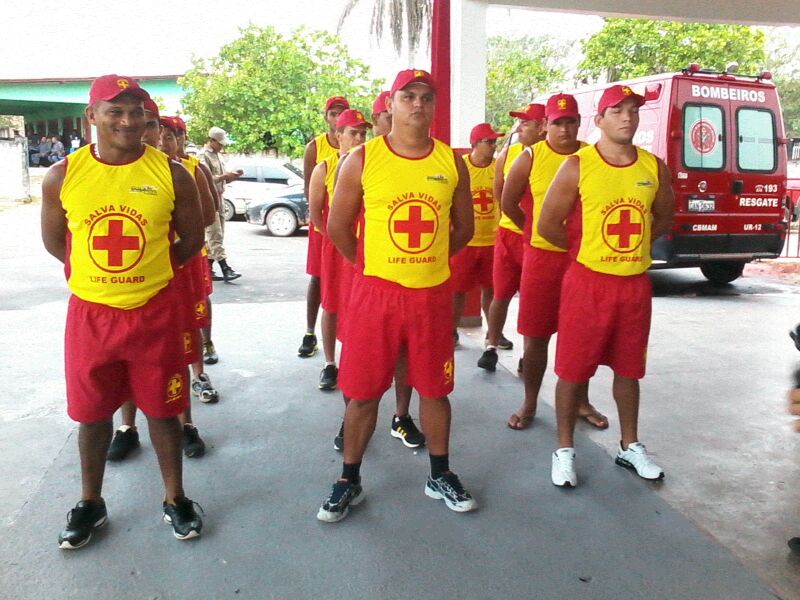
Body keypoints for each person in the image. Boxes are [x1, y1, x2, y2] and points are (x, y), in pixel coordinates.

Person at [41, 74, 205, 548]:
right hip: (92, 316)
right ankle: (90, 502)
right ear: (92, 115)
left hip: (154, 313)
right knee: (92, 415)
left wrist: (149, 273)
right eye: (115, 110)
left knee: (163, 411)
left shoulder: (172, 173)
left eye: (137, 112)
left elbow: (192, 239)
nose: (128, 121)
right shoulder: (62, 175)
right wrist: (103, 278)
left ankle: (175, 498)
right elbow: (56, 243)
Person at [318, 69, 477, 522]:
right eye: (408, 96)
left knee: (435, 389)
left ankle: (440, 473)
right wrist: (373, 267)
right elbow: (338, 226)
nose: (418, 104)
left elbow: (463, 228)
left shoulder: (451, 162)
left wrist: (428, 260)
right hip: (376, 295)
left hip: (431, 295)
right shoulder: (363, 159)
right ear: (390, 103)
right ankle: (348, 479)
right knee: (363, 393)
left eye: (427, 97)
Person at [538, 84, 675, 487]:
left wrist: (631, 249)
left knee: (629, 369)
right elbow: (548, 224)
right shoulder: (578, 165)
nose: (627, 117)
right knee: (572, 370)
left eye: (633, 109)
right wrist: (586, 251)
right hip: (587, 284)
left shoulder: (653, 167)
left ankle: (629, 445)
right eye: (617, 110)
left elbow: (664, 218)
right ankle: (564, 449)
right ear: (599, 120)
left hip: (633, 286)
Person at [107, 112, 218, 462]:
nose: (150, 133)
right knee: (125, 354)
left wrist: (163, 256)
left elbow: (204, 220)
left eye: (156, 127)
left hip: (174, 270)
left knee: (177, 349)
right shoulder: (112, 171)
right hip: (123, 281)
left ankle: (186, 424)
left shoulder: (181, 172)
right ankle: (127, 427)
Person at [499, 93, 608, 432]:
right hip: (541, 260)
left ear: (579, 123)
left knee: (582, 337)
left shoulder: (591, 157)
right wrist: (534, 231)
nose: (564, 129)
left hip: (582, 260)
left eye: (570, 121)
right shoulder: (530, 157)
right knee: (536, 337)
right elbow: (508, 203)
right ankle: (530, 401)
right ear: (546, 124)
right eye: (557, 122)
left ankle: (581, 401)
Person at [478, 103, 545, 372]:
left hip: (540, 241)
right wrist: (521, 224)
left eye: (526, 123)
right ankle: (491, 345)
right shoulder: (508, 154)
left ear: (542, 126)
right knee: (500, 293)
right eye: (520, 122)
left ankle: (529, 355)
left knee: (533, 300)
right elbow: (499, 193)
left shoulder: (560, 156)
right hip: (509, 234)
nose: (519, 128)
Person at [308, 108, 371, 391]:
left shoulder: (370, 164)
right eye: (353, 133)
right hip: (335, 246)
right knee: (331, 303)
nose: (359, 139)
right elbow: (316, 214)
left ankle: (356, 359)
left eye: (363, 134)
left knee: (361, 304)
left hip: (365, 246)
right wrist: (334, 238)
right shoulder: (324, 167)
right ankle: (330, 362)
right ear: (338, 134)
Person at [298, 96, 350, 358]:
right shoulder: (315, 148)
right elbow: (310, 192)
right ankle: (310, 332)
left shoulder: (362, 149)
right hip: (323, 226)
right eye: (333, 113)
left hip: (350, 226)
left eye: (342, 113)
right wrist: (325, 226)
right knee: (319, 278)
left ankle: (349, 341)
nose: (337, 118)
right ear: (326, 117)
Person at [175, 117, 223, 366]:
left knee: (199, 298)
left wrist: (188, 230)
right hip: (158, 252)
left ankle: (206, 344)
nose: (165, 140)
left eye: (175, 134)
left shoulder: (194, 167)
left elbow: (210, 208)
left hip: (191, 247)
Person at [451, 123, 504, 344]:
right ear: (474, 143)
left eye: (494, 142)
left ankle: (494, 333)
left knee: (492, 290)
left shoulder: (499, 167)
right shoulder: (460, 167)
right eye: (488, 141)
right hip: (465, 242)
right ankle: (451, 332)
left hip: (493, 241)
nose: (493, 145)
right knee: (457, 291)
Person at [200, 126, 243, 282]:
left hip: (220, 197)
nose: (222, 147)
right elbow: (205, 179)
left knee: (218, 235)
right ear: (211, 141)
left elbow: (221, 179)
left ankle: (208, 268)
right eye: (219, 143)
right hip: (209, 198)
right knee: (215, 234)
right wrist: (225, 176)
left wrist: (232, 176)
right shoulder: (203, 156)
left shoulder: (218, 156)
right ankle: (225, 268)